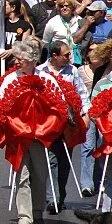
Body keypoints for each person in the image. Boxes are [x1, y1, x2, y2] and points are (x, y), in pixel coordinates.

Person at [0, 38, 63, 224]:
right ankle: (25, 216)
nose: (17, 61)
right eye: (16, 57)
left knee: (40, 176)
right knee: (22, 176)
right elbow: (2, 106)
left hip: (40, 138)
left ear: (32, 60)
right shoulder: (10, 79)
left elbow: (58, 105)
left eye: (21, 58)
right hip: (18, 137)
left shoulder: (46, 79)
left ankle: (37, 211)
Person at [36, 41, 91, 214]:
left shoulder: (72, 70)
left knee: (65, 161)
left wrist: (86, 115)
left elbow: (82, 94)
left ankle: (60, 196)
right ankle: (53, 198)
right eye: (66, 55)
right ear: (54, 56)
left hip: (69, 124)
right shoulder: (40, 72)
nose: (70, 57)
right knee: (51, 160)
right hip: (48, 125)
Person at [42, 0, 85, 66]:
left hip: (76, 58)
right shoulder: (53, 22)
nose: (64, 8)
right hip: (58, 59)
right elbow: (46, 42)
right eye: (61, 6)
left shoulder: (79, 20)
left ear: (72, 7)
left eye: (67, 6)